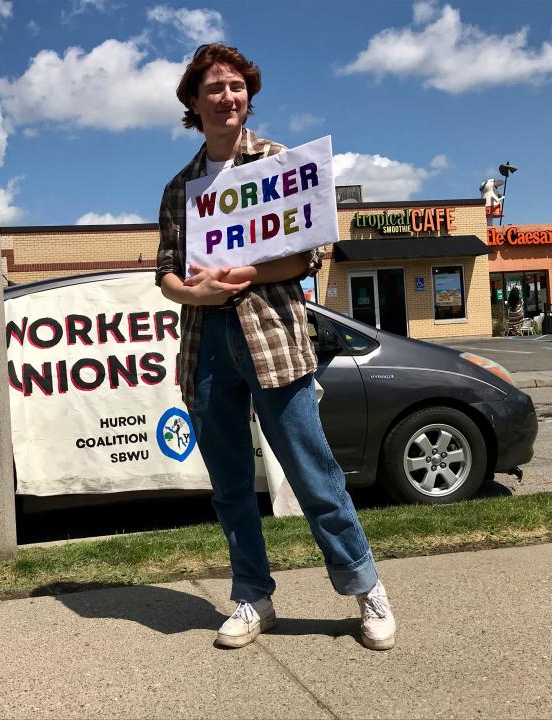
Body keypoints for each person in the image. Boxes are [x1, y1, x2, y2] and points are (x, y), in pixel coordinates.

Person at [155, 43, 396, 651]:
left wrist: (246, 276)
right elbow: (165, 272)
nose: (226, 97)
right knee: (231, 483)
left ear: (248, 96)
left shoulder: (279, 165)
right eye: (213, 88)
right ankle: (250, 595)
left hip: (273, 338)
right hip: (207, 344)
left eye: (236, 86)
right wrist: (195, 291)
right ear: (193, 101)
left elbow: (311, 254)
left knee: (314, 473)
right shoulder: (180, 187)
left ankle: (365, 587)